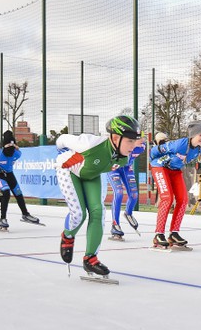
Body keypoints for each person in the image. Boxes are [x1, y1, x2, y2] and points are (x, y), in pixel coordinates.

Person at [56, 115, 143, 276]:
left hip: (92, 176)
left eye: (135, 140)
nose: (134, 145)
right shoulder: (89, 143)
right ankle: (67, 237)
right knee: (79, 214)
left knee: (98, 212)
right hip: (68, 170)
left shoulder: (125, 158)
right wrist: (63, 152)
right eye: (130, 141)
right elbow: (61, 139)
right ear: (115, 138)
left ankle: (90, 259)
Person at [149, 120, 201, 250]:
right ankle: (158, 234)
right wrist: (153, 161)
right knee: (167, 198)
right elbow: (154, 151)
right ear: (193, 135)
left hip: (175, 170)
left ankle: (174, 233)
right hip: (160, 167)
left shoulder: (199, 149)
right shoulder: (179, 144)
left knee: (183, 199)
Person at [0, 130, 39, 231]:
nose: (11, 151)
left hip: (9, 173)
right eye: (9, 148)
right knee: (6, 193)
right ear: (4, 147)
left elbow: (16, 150)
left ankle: (25, 214)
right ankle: (2, 219)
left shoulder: (17, 153)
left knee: (18, 193)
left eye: (13, 148)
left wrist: (14, 147)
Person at [107, 140, 146, 240]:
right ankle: (115, 224)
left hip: (126, 168)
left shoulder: (141, 146)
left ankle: (128, 213)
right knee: (119, 193)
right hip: (113, 167)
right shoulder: (121, 141)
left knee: (134, 195)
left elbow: (142, 143)